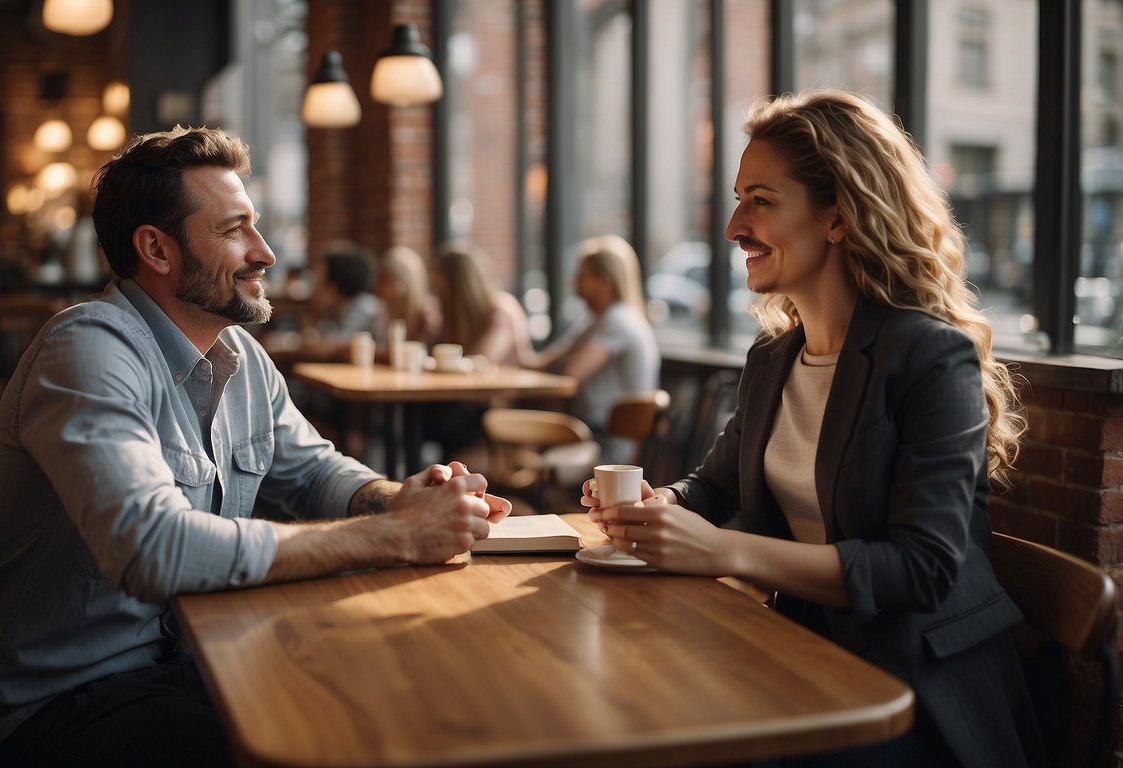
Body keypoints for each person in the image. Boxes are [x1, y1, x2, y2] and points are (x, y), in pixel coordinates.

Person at [0, 127, 510, 768]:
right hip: (54, 705)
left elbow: (315, 471)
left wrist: (391, 498)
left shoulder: (239, 356)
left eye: (256, 226)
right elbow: (152, 548)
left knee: (396, 699)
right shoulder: (88, 350)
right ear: (156, 248)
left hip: (182, 658)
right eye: (234, 229)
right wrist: (397, 536)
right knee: (337, 740)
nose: (264, 252)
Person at [583, 90, 1042, 767]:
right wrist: (657, 510)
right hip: (804, 657)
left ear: (838, 217)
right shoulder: (774, 359)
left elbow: (922, 570)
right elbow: (710, 490)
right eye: (738, 199)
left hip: (917, 695)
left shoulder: (928, 355)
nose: (735, 226)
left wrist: (725, 553)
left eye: (761, 200)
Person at [536, 234, 659, 464]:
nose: (574, 281)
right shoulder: (594, 320)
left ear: (604, 281)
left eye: (582, 275)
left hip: (608, 443)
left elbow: (571, 374)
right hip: (592, 433)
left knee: (519, 446)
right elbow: (546, 361)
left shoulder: (618, 320)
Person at [424, 241, 536, 456]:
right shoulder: (459, 315)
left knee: (433, 419)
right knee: (420, 414)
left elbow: (483, 360)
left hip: (503, 409)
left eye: (441, 283)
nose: (437, 290)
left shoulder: (500, 309)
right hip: (473, 405)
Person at [297, 241, 388, 360]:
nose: (315, 283)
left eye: (321, 278)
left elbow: (334, 345)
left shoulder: (364, 306)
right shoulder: (337, 306)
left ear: (334, 285)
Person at [376, 245, 441, 357]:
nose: (378, 285)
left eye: (385, 279)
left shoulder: (428, 316)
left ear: (404, 283)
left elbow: (416, 356)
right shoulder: (385, 311)